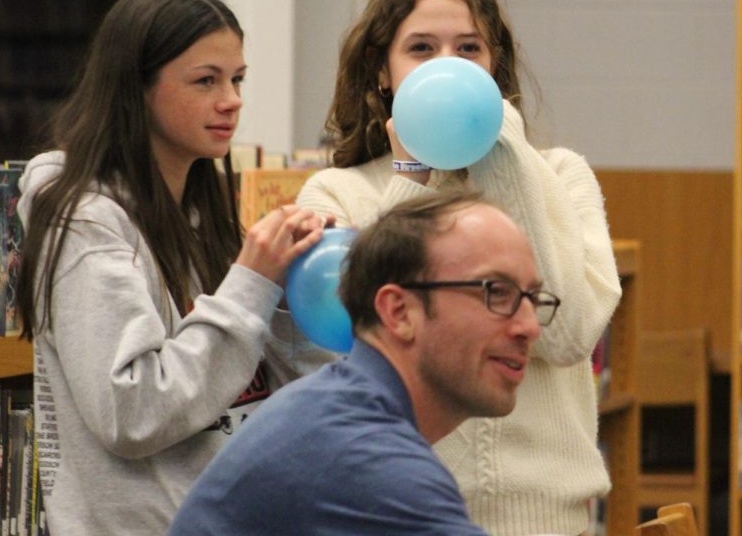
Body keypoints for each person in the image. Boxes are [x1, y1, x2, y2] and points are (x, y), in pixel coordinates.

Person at [296, 0, 623, 536]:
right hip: (402, 516)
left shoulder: (559, 176)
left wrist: (508, 157)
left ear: (494, 69)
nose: (446, 67)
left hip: (549, 522)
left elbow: (568, 335)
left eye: (468, 50)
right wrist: (409, 173)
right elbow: (376, 340)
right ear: (383, 72)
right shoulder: (338, 192)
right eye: (421, 49)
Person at [15, 0, 329, 535]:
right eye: (206, 80)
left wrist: (296, 293)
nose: (231, 100)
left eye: (237, 79)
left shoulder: (209, 212)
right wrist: (252, 285)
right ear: (136, 90)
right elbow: (130, 413)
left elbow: (297, 398)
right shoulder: (85, 221)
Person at [169, 190, 556, 535]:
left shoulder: (339, 406)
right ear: (399, 311)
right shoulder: (363, 455)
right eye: (497, 292)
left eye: (533, 299)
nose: (528, 328)